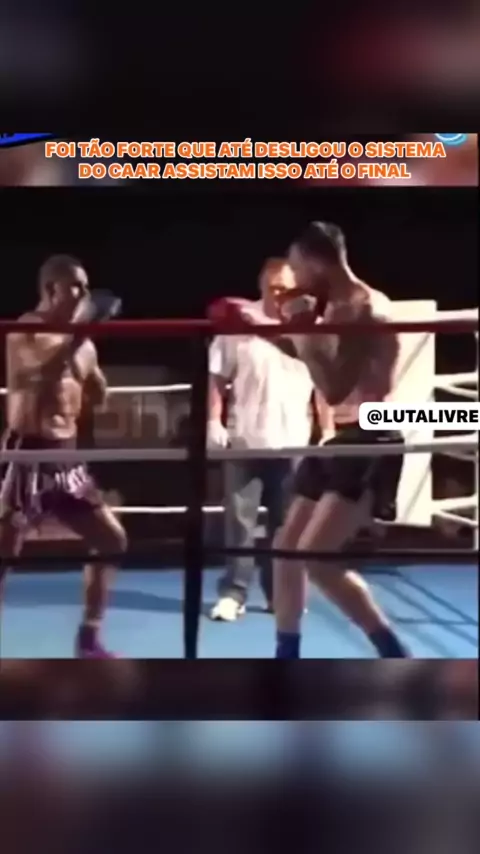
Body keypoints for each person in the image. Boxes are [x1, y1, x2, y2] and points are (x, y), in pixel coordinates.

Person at [229, 222, 409, 658]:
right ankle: (287, 653)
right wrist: (260, 327)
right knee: (286, 549)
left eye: (297, 267)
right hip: (343, 437)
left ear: (315, 262)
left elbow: (334, 388)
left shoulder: (363, 309)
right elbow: (315, 355)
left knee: (317, 558)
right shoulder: (339, 307)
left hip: (371, 436)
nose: (295, 279)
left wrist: (301, 327)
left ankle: (392, 651)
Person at [0, 254, 127, 658]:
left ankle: (88, 638)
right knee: (4, 552)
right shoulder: (26, 330)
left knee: (111, 540)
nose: (84, 293)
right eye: (76, 285)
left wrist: (94, 380)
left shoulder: (83, 343)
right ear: (50, 288)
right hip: (27, 453)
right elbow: (34, 376)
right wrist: (76, 338)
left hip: (66, 456)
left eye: (87, 287)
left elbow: (98, 391)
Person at [207, 257, 333, 621]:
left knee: (287, 526)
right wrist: (213, 420)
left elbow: (323, 384)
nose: (280, 295)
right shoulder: (237, 323)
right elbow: (217, 378)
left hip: (292, 442)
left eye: (287, 289)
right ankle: (233, 594)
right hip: (244, 440)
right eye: (275, 288)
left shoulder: (309, 327)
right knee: (239, 524)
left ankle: (281, 595)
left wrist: (327, 430)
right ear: (262, 286)